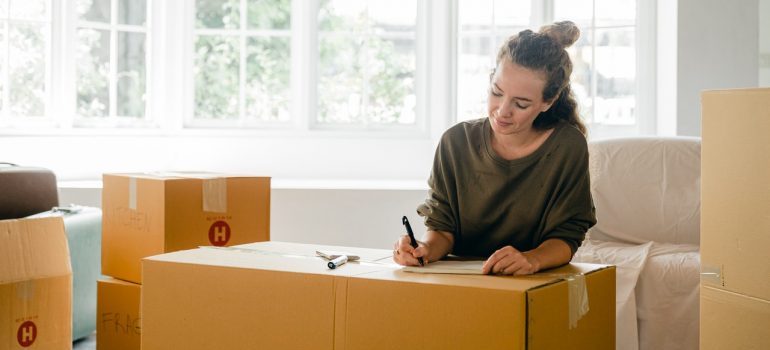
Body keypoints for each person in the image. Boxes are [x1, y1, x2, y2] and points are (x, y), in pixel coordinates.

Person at [393, 21, 596, 276]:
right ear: (491, 79)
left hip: (532, 281)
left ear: (548, 101)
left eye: (521, 104)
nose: (502, 111)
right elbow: (442, 229)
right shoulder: (455, 142)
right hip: (460, 282)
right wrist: (423, 249)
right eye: (496, 92)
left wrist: (531, 259)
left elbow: (567, 236)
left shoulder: (567, 146)